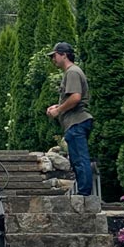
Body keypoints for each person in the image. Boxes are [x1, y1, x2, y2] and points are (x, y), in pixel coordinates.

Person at [45, 41, 94, 196]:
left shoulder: (72, 72)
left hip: (76, 122)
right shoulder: (72, 72)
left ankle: (84, 194)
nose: (53, 59)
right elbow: (72, 98)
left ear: (64, 55)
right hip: (75, 122)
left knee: (80, 159)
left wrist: (58, 110)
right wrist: (57, 105)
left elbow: (75, 97)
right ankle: (83, 192)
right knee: (77, 159)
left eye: (55, 56)